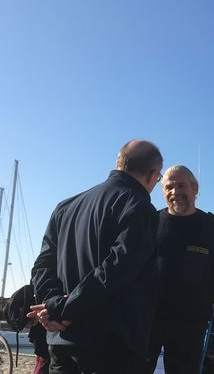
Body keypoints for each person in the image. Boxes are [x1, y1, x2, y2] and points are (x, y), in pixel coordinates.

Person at [29, 140, 163, 374]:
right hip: (111, 345)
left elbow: (43, 264)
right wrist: (62, 308)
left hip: (60, 340)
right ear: (153, 175)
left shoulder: (65, 207)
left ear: (119, 164)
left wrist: (51, 309)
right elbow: (115, 270)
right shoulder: (139, 206)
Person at [146, 165, 214, 374]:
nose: (174, 192)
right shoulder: (149, 222)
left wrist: (196, 305)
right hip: (149, 320)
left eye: (181, 185)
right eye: (168, 187)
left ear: (195, 188)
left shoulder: (213, 228)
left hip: (190, 324)